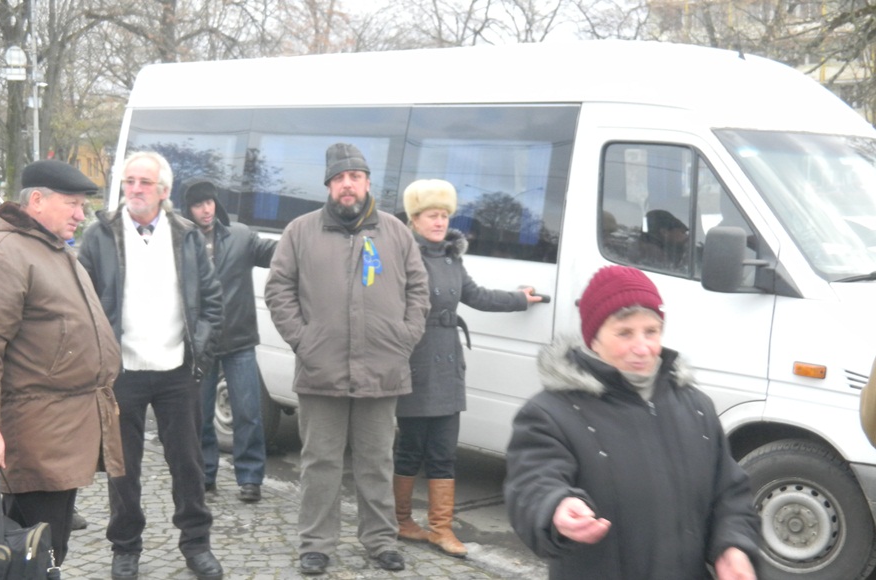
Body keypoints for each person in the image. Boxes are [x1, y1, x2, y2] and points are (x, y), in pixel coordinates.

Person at [503, 265, 760, 580]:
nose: (642, 347)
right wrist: (556, 506)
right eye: (624, 333)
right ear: (593, 339)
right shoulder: (550, 414)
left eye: (651, 331)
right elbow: (532, 483)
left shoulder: (695, 407)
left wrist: (732, 547)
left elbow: (730, 493)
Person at [265, 143, 429, 575]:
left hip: (382, 369)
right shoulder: (300, 231)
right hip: (322, 370)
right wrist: (305, 341)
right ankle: (316, 544)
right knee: (321, 462)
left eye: (354, 176)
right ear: (329, 185)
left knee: (377, 461)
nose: (347, 185)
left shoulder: (395, 233)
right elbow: (278, 290)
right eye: (339, 178)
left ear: (367, 182)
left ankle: (380, 541)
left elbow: (418, 291)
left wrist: (404, 338)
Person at [0, 160, 125, 568]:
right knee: (27, 551)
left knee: (44, 548)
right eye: (71, 203)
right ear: (36, 200)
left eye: (82, 205)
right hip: (34, 432)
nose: (80, 215)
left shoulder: (45, 245)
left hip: (60, 428)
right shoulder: (4, 252)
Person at [78, 152, 224, 580]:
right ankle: (125, 548)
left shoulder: (186, 235)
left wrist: (199, 352)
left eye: (144, 182)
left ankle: (196, 543)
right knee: (122, 470)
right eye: (129, 181)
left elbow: (212, 303)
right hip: (122, 372)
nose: (135, 189)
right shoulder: (100, 235)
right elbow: (83, 301)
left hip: (177, 370)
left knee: (188, 464)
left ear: (164, 191)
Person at [393, 179, 541, 558]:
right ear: (415, 219)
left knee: (444, 450)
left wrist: (520, 300)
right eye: (432, 215)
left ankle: (442, 528)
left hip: (447, 365)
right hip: (415, 361)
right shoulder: (404, 255)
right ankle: (402, 520)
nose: (439, 221)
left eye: (444, 215)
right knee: (409, 449)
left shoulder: (453, 258)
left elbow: (476, 296)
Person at [183, 179, 277, 503]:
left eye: (209, 202)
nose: (206, 209)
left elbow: (274, 253)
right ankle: (205, 475)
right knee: (201, 415)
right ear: (189, 210)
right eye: (198, 204)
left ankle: (250, 478)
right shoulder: (181, 241)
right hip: (200, 344)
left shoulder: (240, 235)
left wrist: (303, 240)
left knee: (248, 413)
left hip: (239, 339)